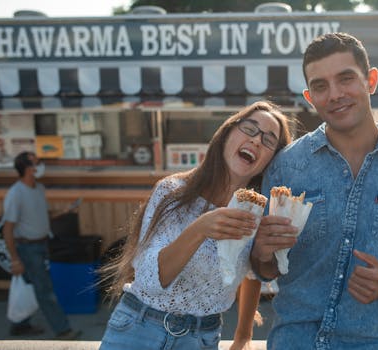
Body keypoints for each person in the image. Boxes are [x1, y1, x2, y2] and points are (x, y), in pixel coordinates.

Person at [251, 32, 378, 349]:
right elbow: (267, 269)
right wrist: (261, 253)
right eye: (320, 86)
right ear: (309, 97)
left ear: (370, 80)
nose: (334, 94)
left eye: (346, 79)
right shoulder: (284, 168)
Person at [99, 101, 292, 350]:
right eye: (250, 128)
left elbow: (251, 272)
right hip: (138, 327)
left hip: (200, 338)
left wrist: (243, 336)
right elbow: (150, 281)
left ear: (271, 159)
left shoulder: (258, 211)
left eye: (269, 140)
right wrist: (200, 228)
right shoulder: (172, 192)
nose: (256, 140)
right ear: (226, 133)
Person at [2, 151, 82, 339]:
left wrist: (65, 210)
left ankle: (20, 325)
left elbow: (43, 216)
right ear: (28, 169)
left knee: (32, 287)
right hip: (28, 249)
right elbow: (7, 228)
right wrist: (14, 259)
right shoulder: (15, 194)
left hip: (41, 245)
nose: (41, 166)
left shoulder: (39, 188)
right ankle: (63, 330)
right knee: (45, 291)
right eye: (37, 163)